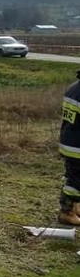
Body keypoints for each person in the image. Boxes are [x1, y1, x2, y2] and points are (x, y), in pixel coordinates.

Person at [58, 70, 80, 225]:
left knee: (74, 177)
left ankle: (75, 207)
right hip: (77, 146)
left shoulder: (73, 88)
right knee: (75, 182)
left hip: (69, 142)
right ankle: (66, 212)